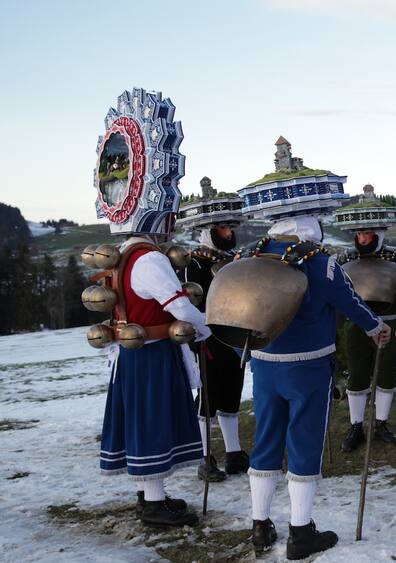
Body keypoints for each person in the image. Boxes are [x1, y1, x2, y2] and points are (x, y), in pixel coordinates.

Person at [240, 215, 391, 559]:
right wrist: (375, 327)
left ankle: (260, 525)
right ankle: (300, 530)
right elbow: (349, 301)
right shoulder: (319, 263)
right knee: (305, 443)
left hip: (264, 365)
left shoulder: (254, 256)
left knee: (265, 441)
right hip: (307, 365)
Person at [91, 88, 206, 528]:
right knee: (154, 420)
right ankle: (155, 504)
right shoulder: (150, 258)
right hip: (153, 352)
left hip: (133, 351)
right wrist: (206, 331)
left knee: (142, 420)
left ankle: (149, 497)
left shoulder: (122, 256)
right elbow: (178, 305)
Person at [176, 181, 250, 481]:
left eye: (230, 229)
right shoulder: (193, 263)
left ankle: (234, 453)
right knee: (209, 398)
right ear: (209, 231)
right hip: (207, 336)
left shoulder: (235, 261)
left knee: (232, 393)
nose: (229, 234)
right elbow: (191, 301)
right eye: (222, 229)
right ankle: (204, 457)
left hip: (234, 335)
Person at [333, 194, 396, 452]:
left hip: (388, 326)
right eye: (358, 233)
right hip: (356, 327)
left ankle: (381, 423)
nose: (362, 239)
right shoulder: (345, 260)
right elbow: (336, 295)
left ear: (377, 233)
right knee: (357, 375)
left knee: (387, 375)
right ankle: (356, 425)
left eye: (367, 233)